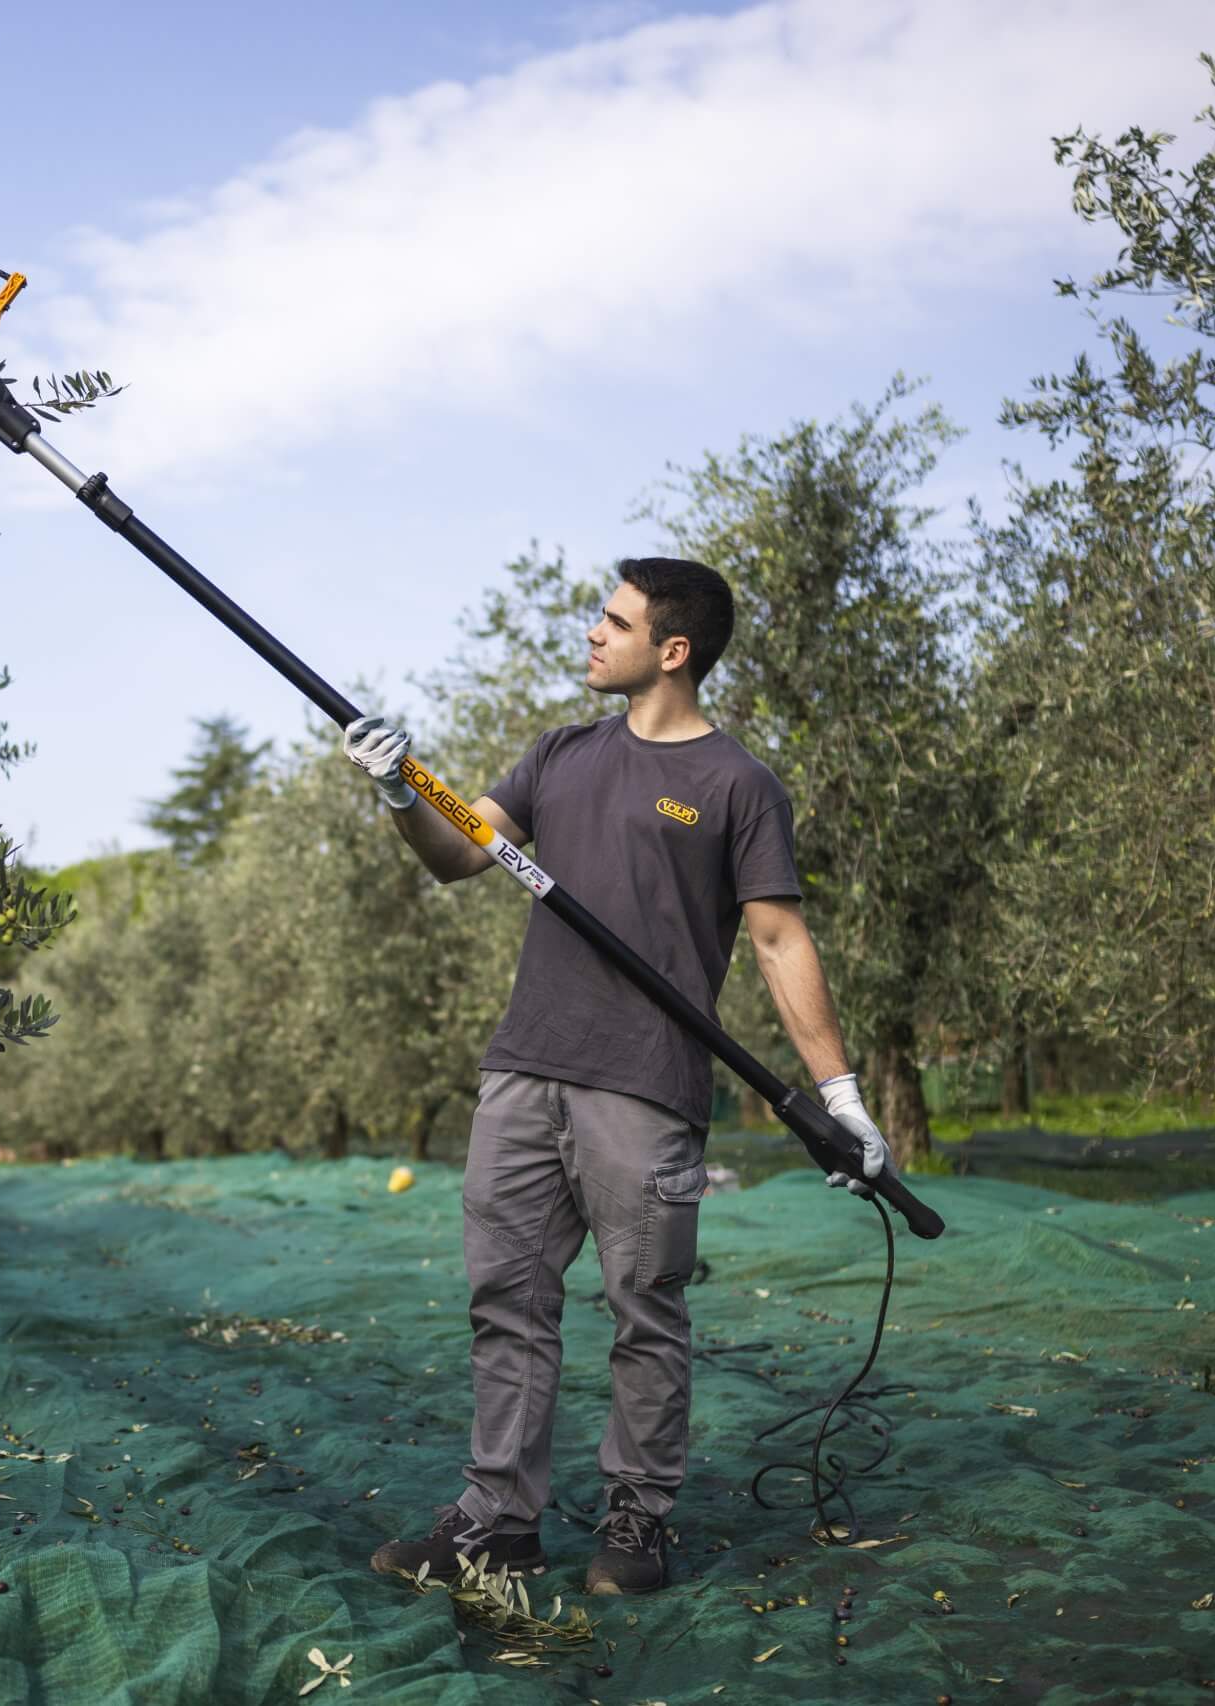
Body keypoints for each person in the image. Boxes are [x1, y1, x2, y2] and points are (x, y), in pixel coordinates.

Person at [342, 557, 891, 1598]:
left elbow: (777, 939)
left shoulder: (735, 785)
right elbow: (461, 854)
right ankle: (496, 1521)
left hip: (644, 1087)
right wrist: (401, 791)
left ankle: (636, 1519)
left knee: (645, 1309)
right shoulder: (558, 755)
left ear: (670, 650)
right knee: (507, 1300)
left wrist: (841, 1097)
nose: (592, 634)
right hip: (523, 1069)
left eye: (613, 620)